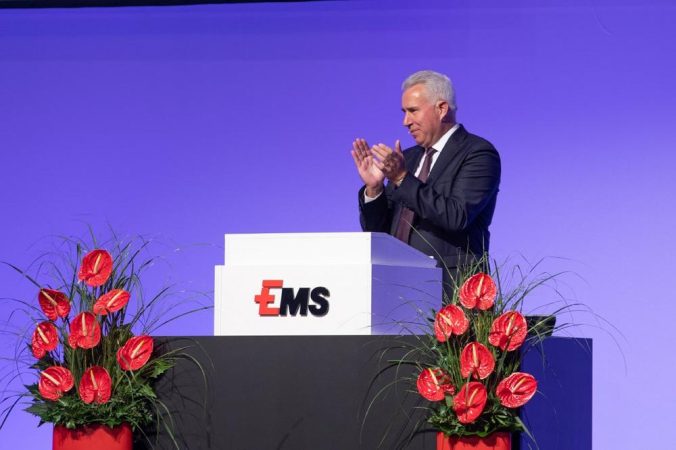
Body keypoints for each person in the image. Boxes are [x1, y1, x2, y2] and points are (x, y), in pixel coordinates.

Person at [351, 70, 501, 300]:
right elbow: (379, 233)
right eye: (404, 112)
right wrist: (375, 189)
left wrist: (402, 178)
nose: (406, 122)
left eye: (413, 111)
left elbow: (456, 216)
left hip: (450, 292)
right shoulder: (407, 159)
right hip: (396, 291)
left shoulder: (478, 153)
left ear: (441, 109)